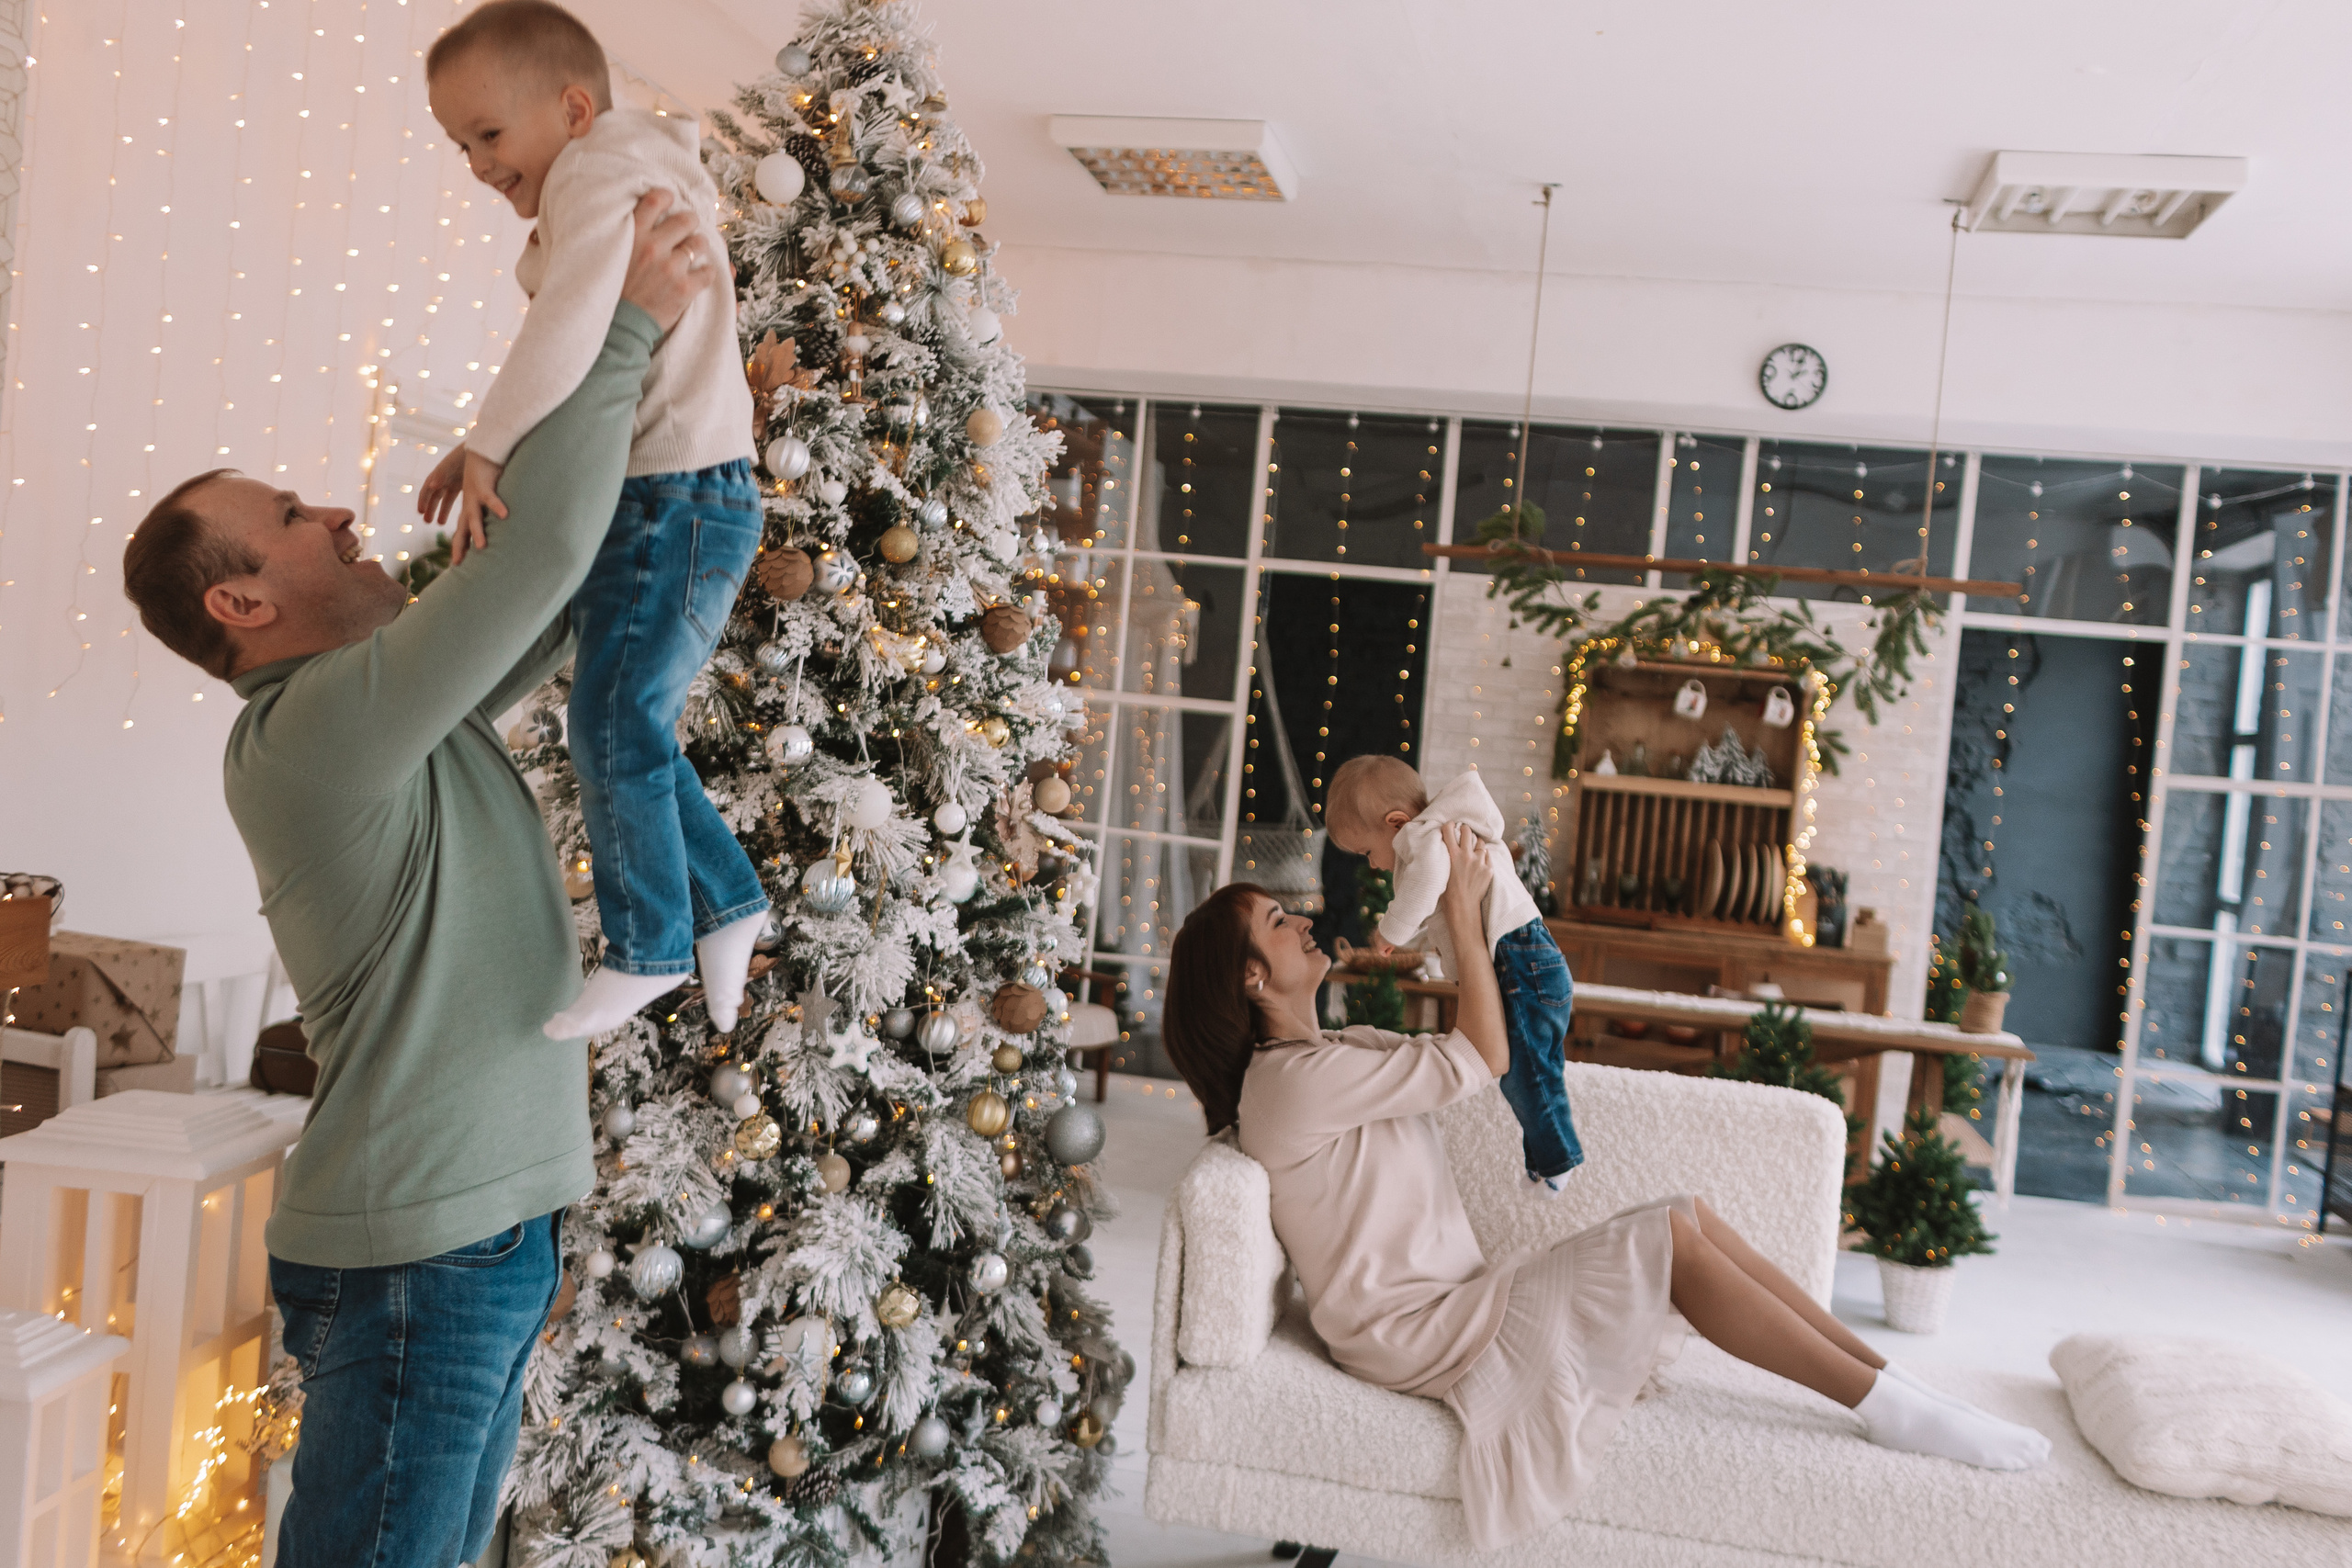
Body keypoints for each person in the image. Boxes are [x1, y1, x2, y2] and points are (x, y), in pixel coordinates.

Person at [119, 191, 713, 1568]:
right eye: (287, 517)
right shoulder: (312, 732)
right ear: (241, 602)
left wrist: (555, 395)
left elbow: (550, 596)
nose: (334, 507)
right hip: (420, 1261)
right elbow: (547, 559)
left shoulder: (385, 708)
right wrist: (624, 322)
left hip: (468, 1243)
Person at [1161, 828, 2049, 1551]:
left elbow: (1475, 1030)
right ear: (1250, 976)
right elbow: (1483, 1055)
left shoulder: (1339, 1053)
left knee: (1685, 1215)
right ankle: (1889, 1407)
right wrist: (1467, 913)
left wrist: (1443, 902)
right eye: (1280, 921)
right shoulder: (1286, 1084)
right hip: (1423, 1331)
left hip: (1460, 1301)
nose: (1306, 921)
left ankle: (1896, 1386)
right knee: (1672, 1242)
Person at [421, 0, 767, 1039]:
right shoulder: (618, 171)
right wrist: (491, 440)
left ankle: (653, 943)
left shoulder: (599, 172)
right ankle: (730, 902)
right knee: (627, 724)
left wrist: (489, 443)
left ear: (574, 108)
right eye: (458, 144)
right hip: (675, 496)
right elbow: (586, 366)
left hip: (678, 496)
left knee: (612, 723)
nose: (477, 163)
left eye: (488, 133)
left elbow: (576, 325)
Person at [1325, 755, 1582, 1195]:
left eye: (1367, 851)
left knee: (1526, 1070)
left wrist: (1390, 932)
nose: (1371, 865)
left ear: (1396, 822)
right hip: (1531, 960)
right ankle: (1544, 1162)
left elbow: (1425, 887)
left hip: (1521, 961)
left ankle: (1558, 1160)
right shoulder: (1442, 835)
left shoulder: (1427, 838)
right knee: (1535, 1067)